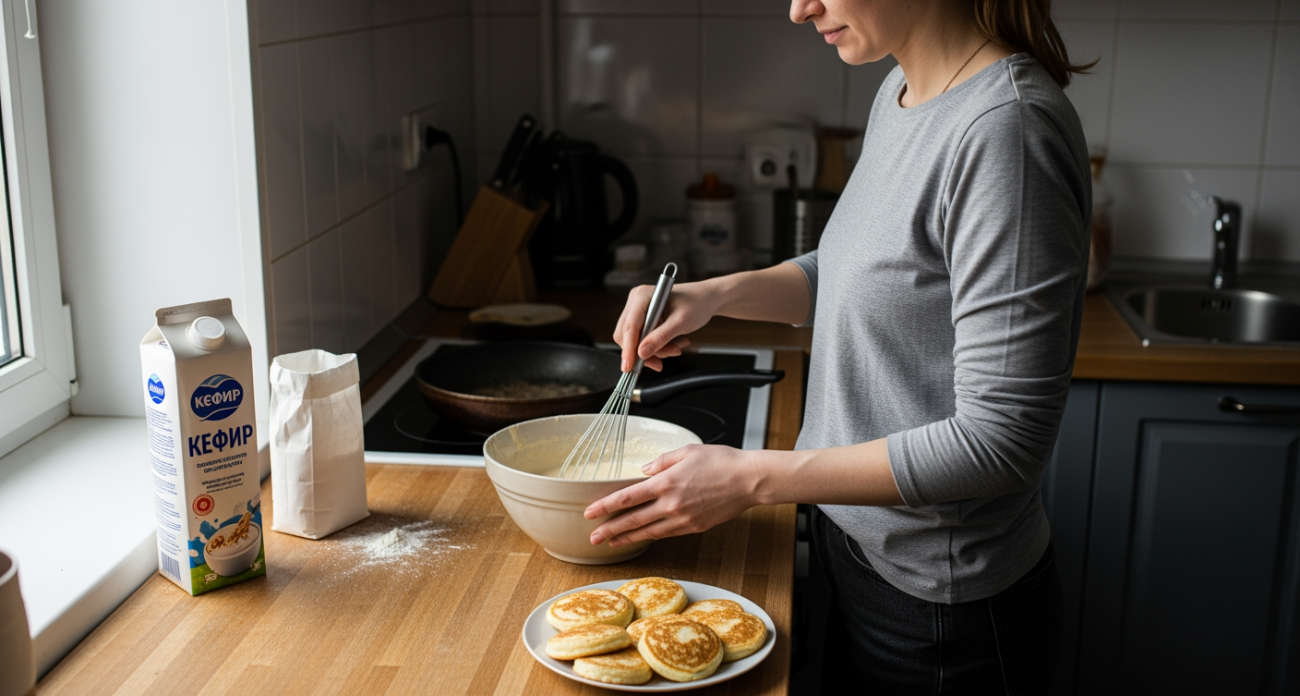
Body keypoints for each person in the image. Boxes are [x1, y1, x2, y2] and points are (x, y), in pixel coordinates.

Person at [584, 0, 1094, 691]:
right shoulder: (903, 90)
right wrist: (712, 296)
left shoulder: (1006, 130)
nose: (800, 9)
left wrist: (749, 478)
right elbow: (853, 273)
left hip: (942, 613)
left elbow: (999, 441)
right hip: (856, 555)